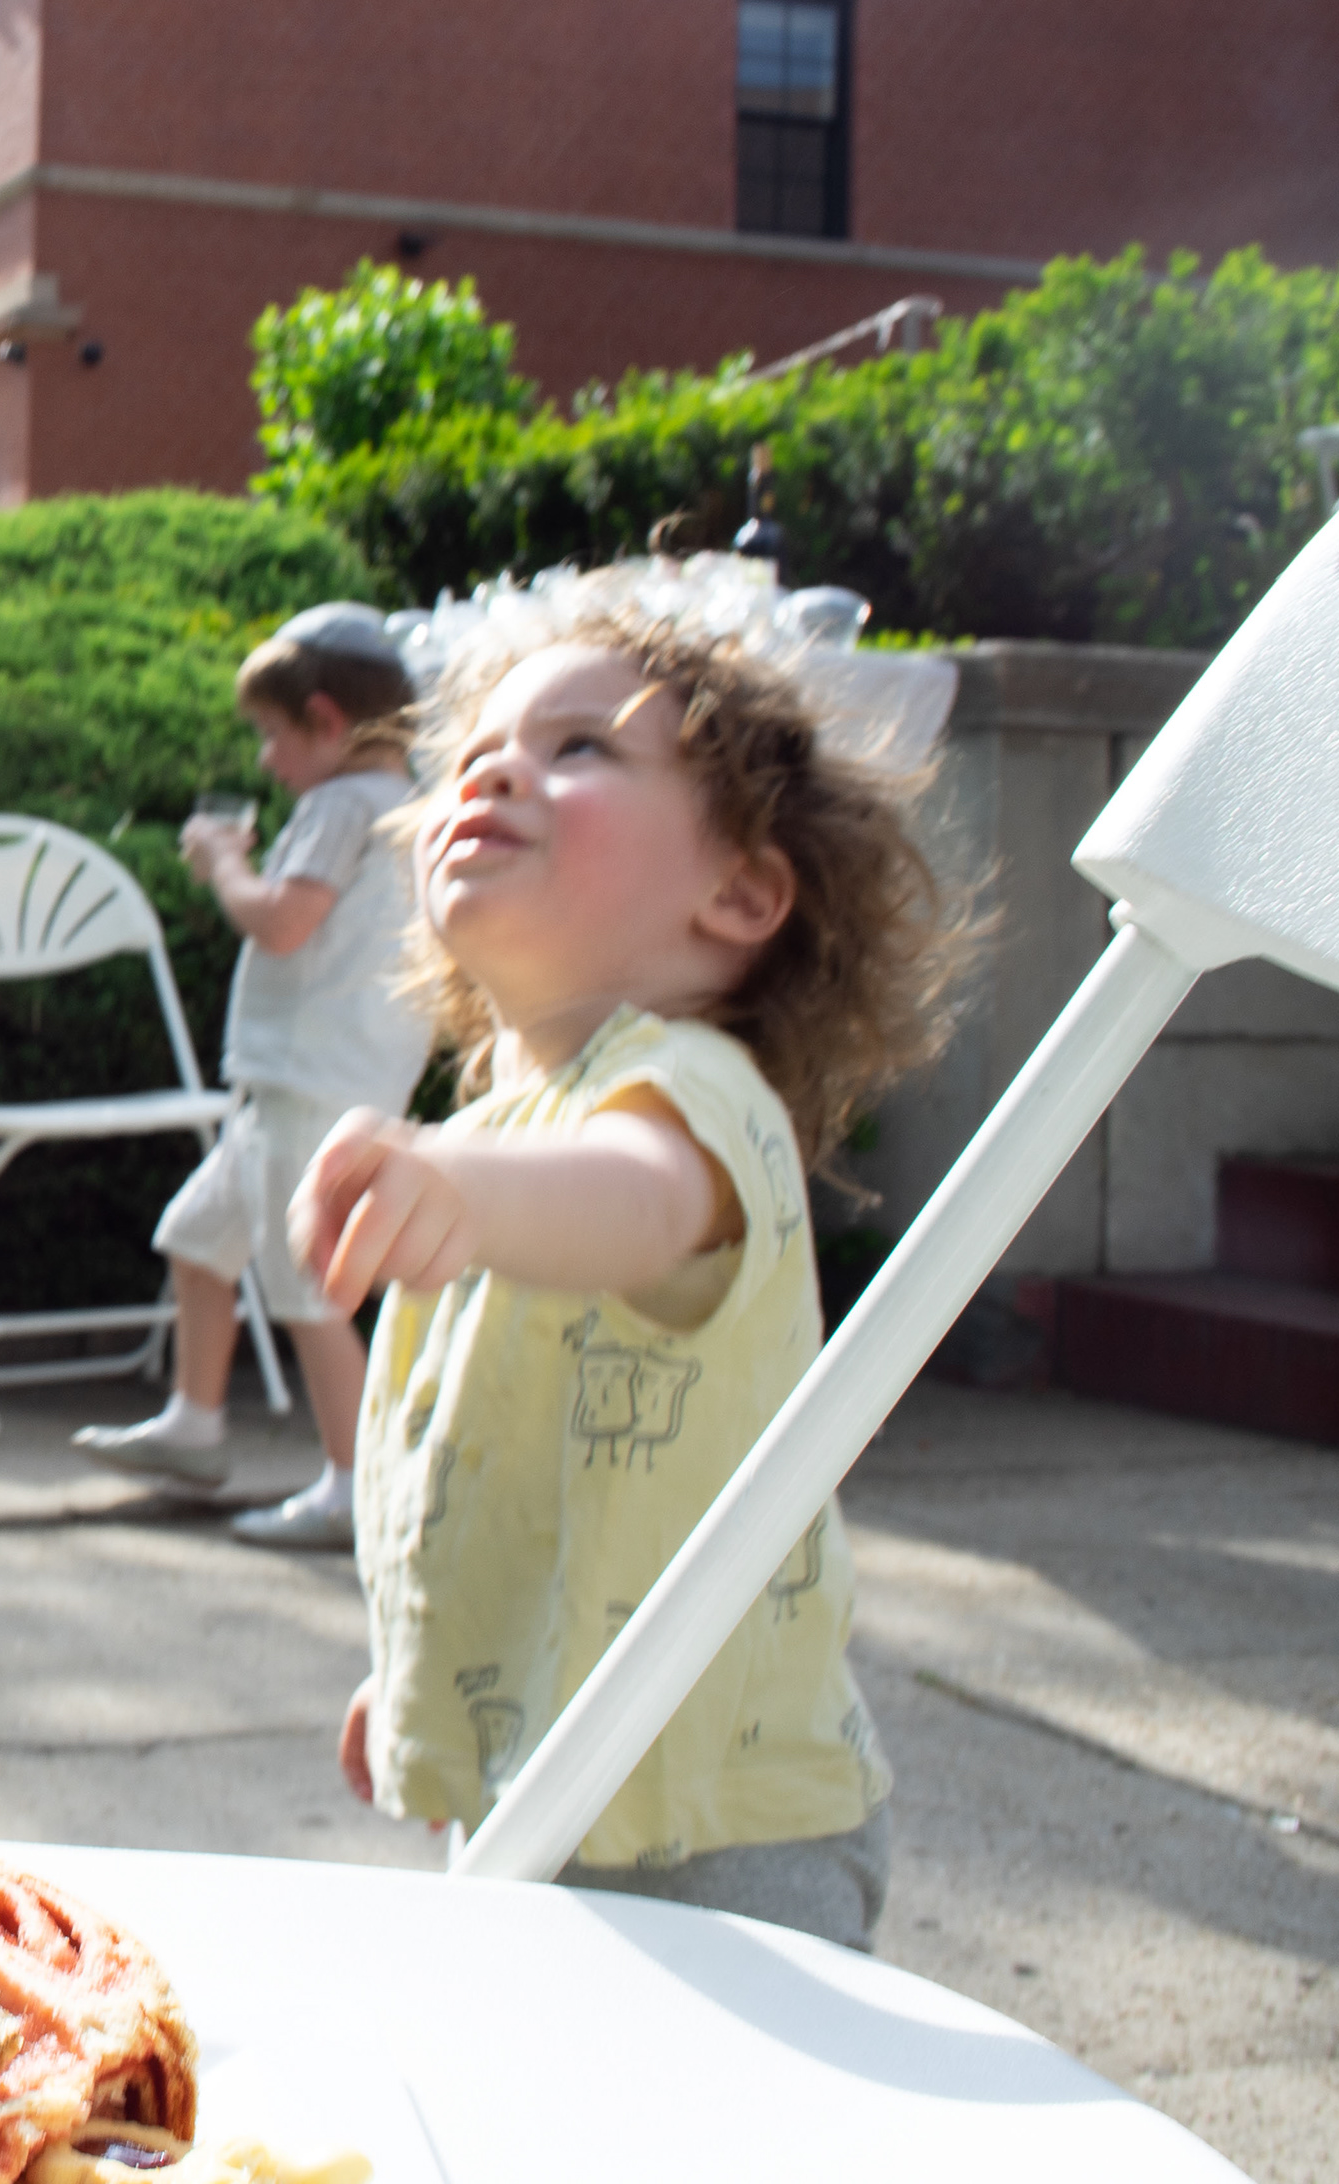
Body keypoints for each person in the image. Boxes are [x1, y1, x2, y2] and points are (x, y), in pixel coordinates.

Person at [301, 563, 966, 1950]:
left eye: (580, 749)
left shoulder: (695, 1096)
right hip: (545, 1788)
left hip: (717, 1837)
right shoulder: (495, 1133)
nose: (496, 772)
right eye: (476, 754)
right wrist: (427, 1667)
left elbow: (638, 1200)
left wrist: (461, 1189)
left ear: (741, 891)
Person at [73, 604, 430, 1551]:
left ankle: (356, 1485)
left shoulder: (341, 805)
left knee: (306, 1289)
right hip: (322, 1080)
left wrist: (224, 864)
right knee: (199, 1239)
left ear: (325, 720)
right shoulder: (403, 802)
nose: (267, 761)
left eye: (273, 735)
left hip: (306, 1082)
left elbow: (281, 922)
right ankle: (194, 1427)